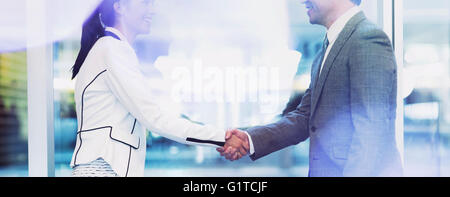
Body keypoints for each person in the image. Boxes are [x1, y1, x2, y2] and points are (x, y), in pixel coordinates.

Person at [218, 0, 403, 177]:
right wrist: (249, 139)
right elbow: (305, 117)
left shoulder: (367, 38)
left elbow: (371, 133)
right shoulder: (330, 45)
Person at [69, 0, 248, 177]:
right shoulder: (112, 49)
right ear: (119, 7)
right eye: (146, 3)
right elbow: (154, 118)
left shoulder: (110, 48)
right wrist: (222, 137)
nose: (152, 10)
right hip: (103, 170)